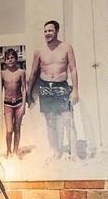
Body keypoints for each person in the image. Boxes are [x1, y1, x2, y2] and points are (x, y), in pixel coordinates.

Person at [25, 19, 78, 159]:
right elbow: (33, 73)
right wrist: (28, 93)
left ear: (57, 31)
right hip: (45, 88)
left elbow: (73, 69)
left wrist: (76, 90)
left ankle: (74, 153)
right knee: (50, 121)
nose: (47, 33)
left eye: (50, 30)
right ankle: (56, 151)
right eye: (45, 31)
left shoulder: (66, 47)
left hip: (61, 87)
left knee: (68, 120)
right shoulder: (39, 51)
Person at [0, 46, 27, 157]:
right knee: (9, 130)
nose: (10, 60)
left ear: (16, 59)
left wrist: (23, 106)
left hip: (19, 103)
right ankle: (8, 150)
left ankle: (15, 151)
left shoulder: (21, 72)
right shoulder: (2, 73)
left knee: (17, 128)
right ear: (5, 60)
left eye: (12, 57)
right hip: (8, 104)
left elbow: (24, 89)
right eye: (8, 58)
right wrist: (0, 106)